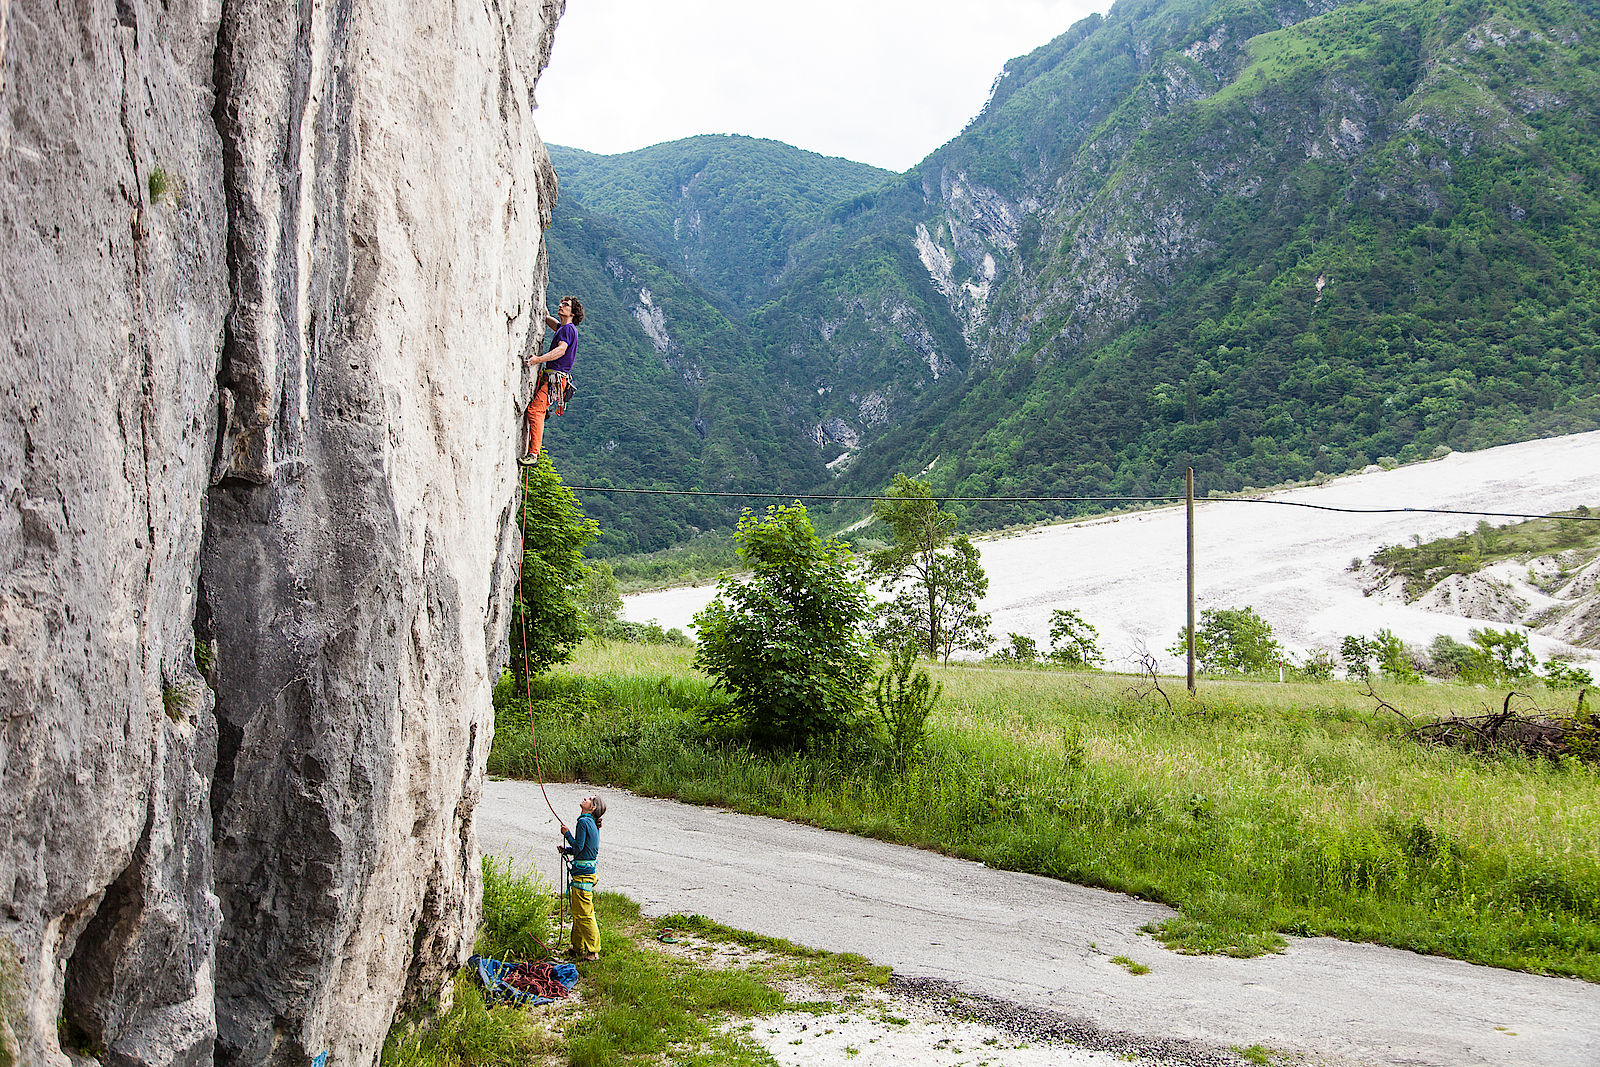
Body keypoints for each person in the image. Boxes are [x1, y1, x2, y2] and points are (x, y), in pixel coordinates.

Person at [521, 295, 583, 465]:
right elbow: (554, 324)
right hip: (554, 379)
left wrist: (537, 359)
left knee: (535, 411)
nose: (561, 306)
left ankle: (533, 454)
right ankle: (534, 448)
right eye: (562, 303)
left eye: (566, 305)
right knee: (538, 410)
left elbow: (561, 350)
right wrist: (544, 313)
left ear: (572, 312)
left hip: (554, 379)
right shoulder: (565, 328)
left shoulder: (567, 330)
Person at [557, 793, 605, 960]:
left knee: (584, 914)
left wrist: (567, 834)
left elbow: (578, 847)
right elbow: (585, 850)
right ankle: (577, 947)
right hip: (588, 871)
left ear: (591, 808)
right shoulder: (592, 823)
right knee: (578, 912)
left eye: (589, 799)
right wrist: (567, 850)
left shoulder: (583, 821)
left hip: (582, 876)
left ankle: (593, 950)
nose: (585, 799)